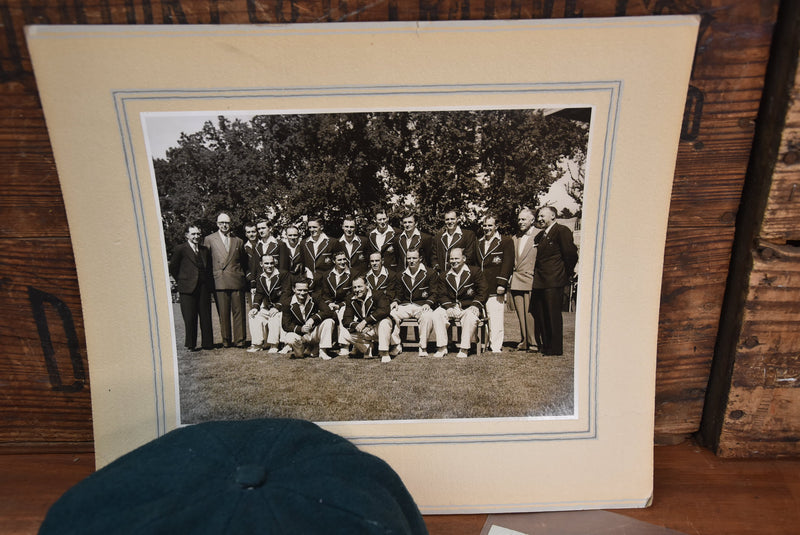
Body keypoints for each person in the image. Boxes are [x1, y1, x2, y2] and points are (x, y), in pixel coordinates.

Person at [530, 206, 578, 356]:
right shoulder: (540, 236)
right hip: (540, 281)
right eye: (538, 216)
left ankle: (555, 348)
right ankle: (547, 346)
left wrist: (564, 274)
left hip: (554, 280)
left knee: (553, 315)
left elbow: (570, 255)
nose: (540, 219)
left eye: (543, 216)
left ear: (553, 216)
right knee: (542, 315)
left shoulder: (561, 231)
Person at [431, 247, 488, 358]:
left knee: (471, 317)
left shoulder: (475, 272)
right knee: (437, 314)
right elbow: (441, 294)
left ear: (464, 258)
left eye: (457, 258)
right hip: (451, 307)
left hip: (468, 307)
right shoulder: (444, 275)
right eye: (451, 259)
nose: (453, 261)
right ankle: (442, 347)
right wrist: (449, 307)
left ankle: (464, 348)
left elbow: (483, 290)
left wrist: (476, 305)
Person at [389, 248, 444, 357]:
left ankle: (422, 347)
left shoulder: (430, 273)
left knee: (427, 316)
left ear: (420, 259)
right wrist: (395, 301)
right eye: (409, 258)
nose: (411, 261)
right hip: (405, 305)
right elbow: (399, 294)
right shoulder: (401, 275)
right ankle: (396, 345)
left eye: (414, 258)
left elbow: (434, 293)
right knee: (391, 314)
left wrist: (428, 303)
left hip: (421, 305)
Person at [205, 212, 249, 348]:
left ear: (230, 224)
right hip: (220, 281)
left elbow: (244, 261)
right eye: (222, 223)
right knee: (223, 314)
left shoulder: (238, 241)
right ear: (217, 224)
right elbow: (206, 261)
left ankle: (240, 340)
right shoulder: (209, 239)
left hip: (236, 280)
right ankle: (226, 340)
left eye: (227, 223)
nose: (224, 225)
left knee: (239, 312)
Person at [169, 223, 214, 351]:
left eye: (198, 234)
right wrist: (182, 280)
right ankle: (191, 344)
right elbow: (173, 267)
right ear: (187, 235)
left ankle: (208, 343)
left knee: (205, 316)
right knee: (190, 317)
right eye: (193, 234)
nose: (196, 236)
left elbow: (208, 268)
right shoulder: (180, 249)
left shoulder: (204, 250)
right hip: (187, 288)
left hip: (203, 287)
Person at [477, 215, 514, 353]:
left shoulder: (505, 241)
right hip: (481, 287)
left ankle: (496, 346)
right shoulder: (479, 242)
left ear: (496, 226)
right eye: (485, 225)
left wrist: (502, 283)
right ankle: (484, 344)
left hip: (495, 285)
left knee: (495, 317)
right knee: (483, 317)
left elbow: (507, 264)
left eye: (490, 225)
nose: (487, 228)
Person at [342, 276, 401, 363]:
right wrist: (358, 325)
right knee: (345, 334)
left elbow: (384, 310)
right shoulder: (350, 298)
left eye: (360, 286)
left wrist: (366, 322)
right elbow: (346, 319)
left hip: (380, 327)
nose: (357, 290)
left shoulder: (378, 294)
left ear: (367, 285)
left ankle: (384, 352)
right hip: (366, 329)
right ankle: (369, 347)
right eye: (354, 287)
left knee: (385, 322)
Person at [281, 280, 337, 360]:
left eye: (305, 290)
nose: (302, 293)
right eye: (299, 290)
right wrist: (301, 329)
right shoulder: (287, 303)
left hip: (314, 332)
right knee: (290, 338)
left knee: (329, 322)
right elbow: (285, 325)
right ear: (294, 289)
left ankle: (323, 351)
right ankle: (304, 350)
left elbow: (328, 312)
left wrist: (313, 319)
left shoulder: (315, 297)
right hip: (300, 335)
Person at [247, 255, 289, 353]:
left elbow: (286, 293)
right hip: (268, 308)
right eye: (266, 263)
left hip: (282, 308)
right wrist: (255, 307)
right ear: (261, 264)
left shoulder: (283, 274)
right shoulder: (260, 277)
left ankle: (274, 344)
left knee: (274, 316)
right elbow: (259, 294)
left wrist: (277, 307)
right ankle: (257, 344)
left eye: (271, 263)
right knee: (253, 315)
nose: (269, 266)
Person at [511, 208, 540, 352]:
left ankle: (533, 342)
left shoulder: (539, 235)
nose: (520, 222)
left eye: (523, 219)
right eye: (519, 219)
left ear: (532, 220)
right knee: (520, 314)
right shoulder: (515, 237)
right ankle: (524, 341)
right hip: (516, 280)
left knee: (530, 314)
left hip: (531, 279)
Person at [319, 250, 353, 356]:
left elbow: (352, 294)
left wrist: (340, 305)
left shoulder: (352, 273)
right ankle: (324, 346)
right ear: (334, 261)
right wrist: (329, 303)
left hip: (346, 304)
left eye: (344, 259)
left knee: (343, 312)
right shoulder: (327, 275)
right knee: (325, 316)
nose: (343, 262)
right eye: (339, 260)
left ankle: (344, 345)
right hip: (331, 304)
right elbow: (324, 293)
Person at [302, 216, 338, 290]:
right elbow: (303, 264)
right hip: (310, 284)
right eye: (310, 227)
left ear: (321, 227)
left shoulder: (332, 242)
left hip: (327, 282)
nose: (312, 230)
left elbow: (338, 263)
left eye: (314, 227)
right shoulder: (304, 243)